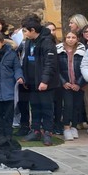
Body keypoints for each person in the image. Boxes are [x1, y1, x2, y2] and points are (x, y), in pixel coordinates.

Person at [21, 14, 60, 146]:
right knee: (35, 107)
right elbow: (26, 60)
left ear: (32, 30)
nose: (24, 33)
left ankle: (48, 132)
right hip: (32, 82)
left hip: (45, 83)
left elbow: (50, 63)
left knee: (47, 108)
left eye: (25, 30)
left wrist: (44, 81)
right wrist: (25, 79)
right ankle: (36, 131)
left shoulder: (47, 41)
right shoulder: (29, 42)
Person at [56, 31, 86, 141]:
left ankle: (74, 126)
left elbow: (86, 68)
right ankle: (66, 127)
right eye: (68, 37)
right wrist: (63, 82)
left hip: (78, 84)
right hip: (65, 85)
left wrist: (79, 83)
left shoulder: (82, 51)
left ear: (77, 39)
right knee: (68, 105)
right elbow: (56, 69)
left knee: (77, 106)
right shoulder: (59, 51)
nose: (71, 39)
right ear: (65, 39)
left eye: (73, 37)